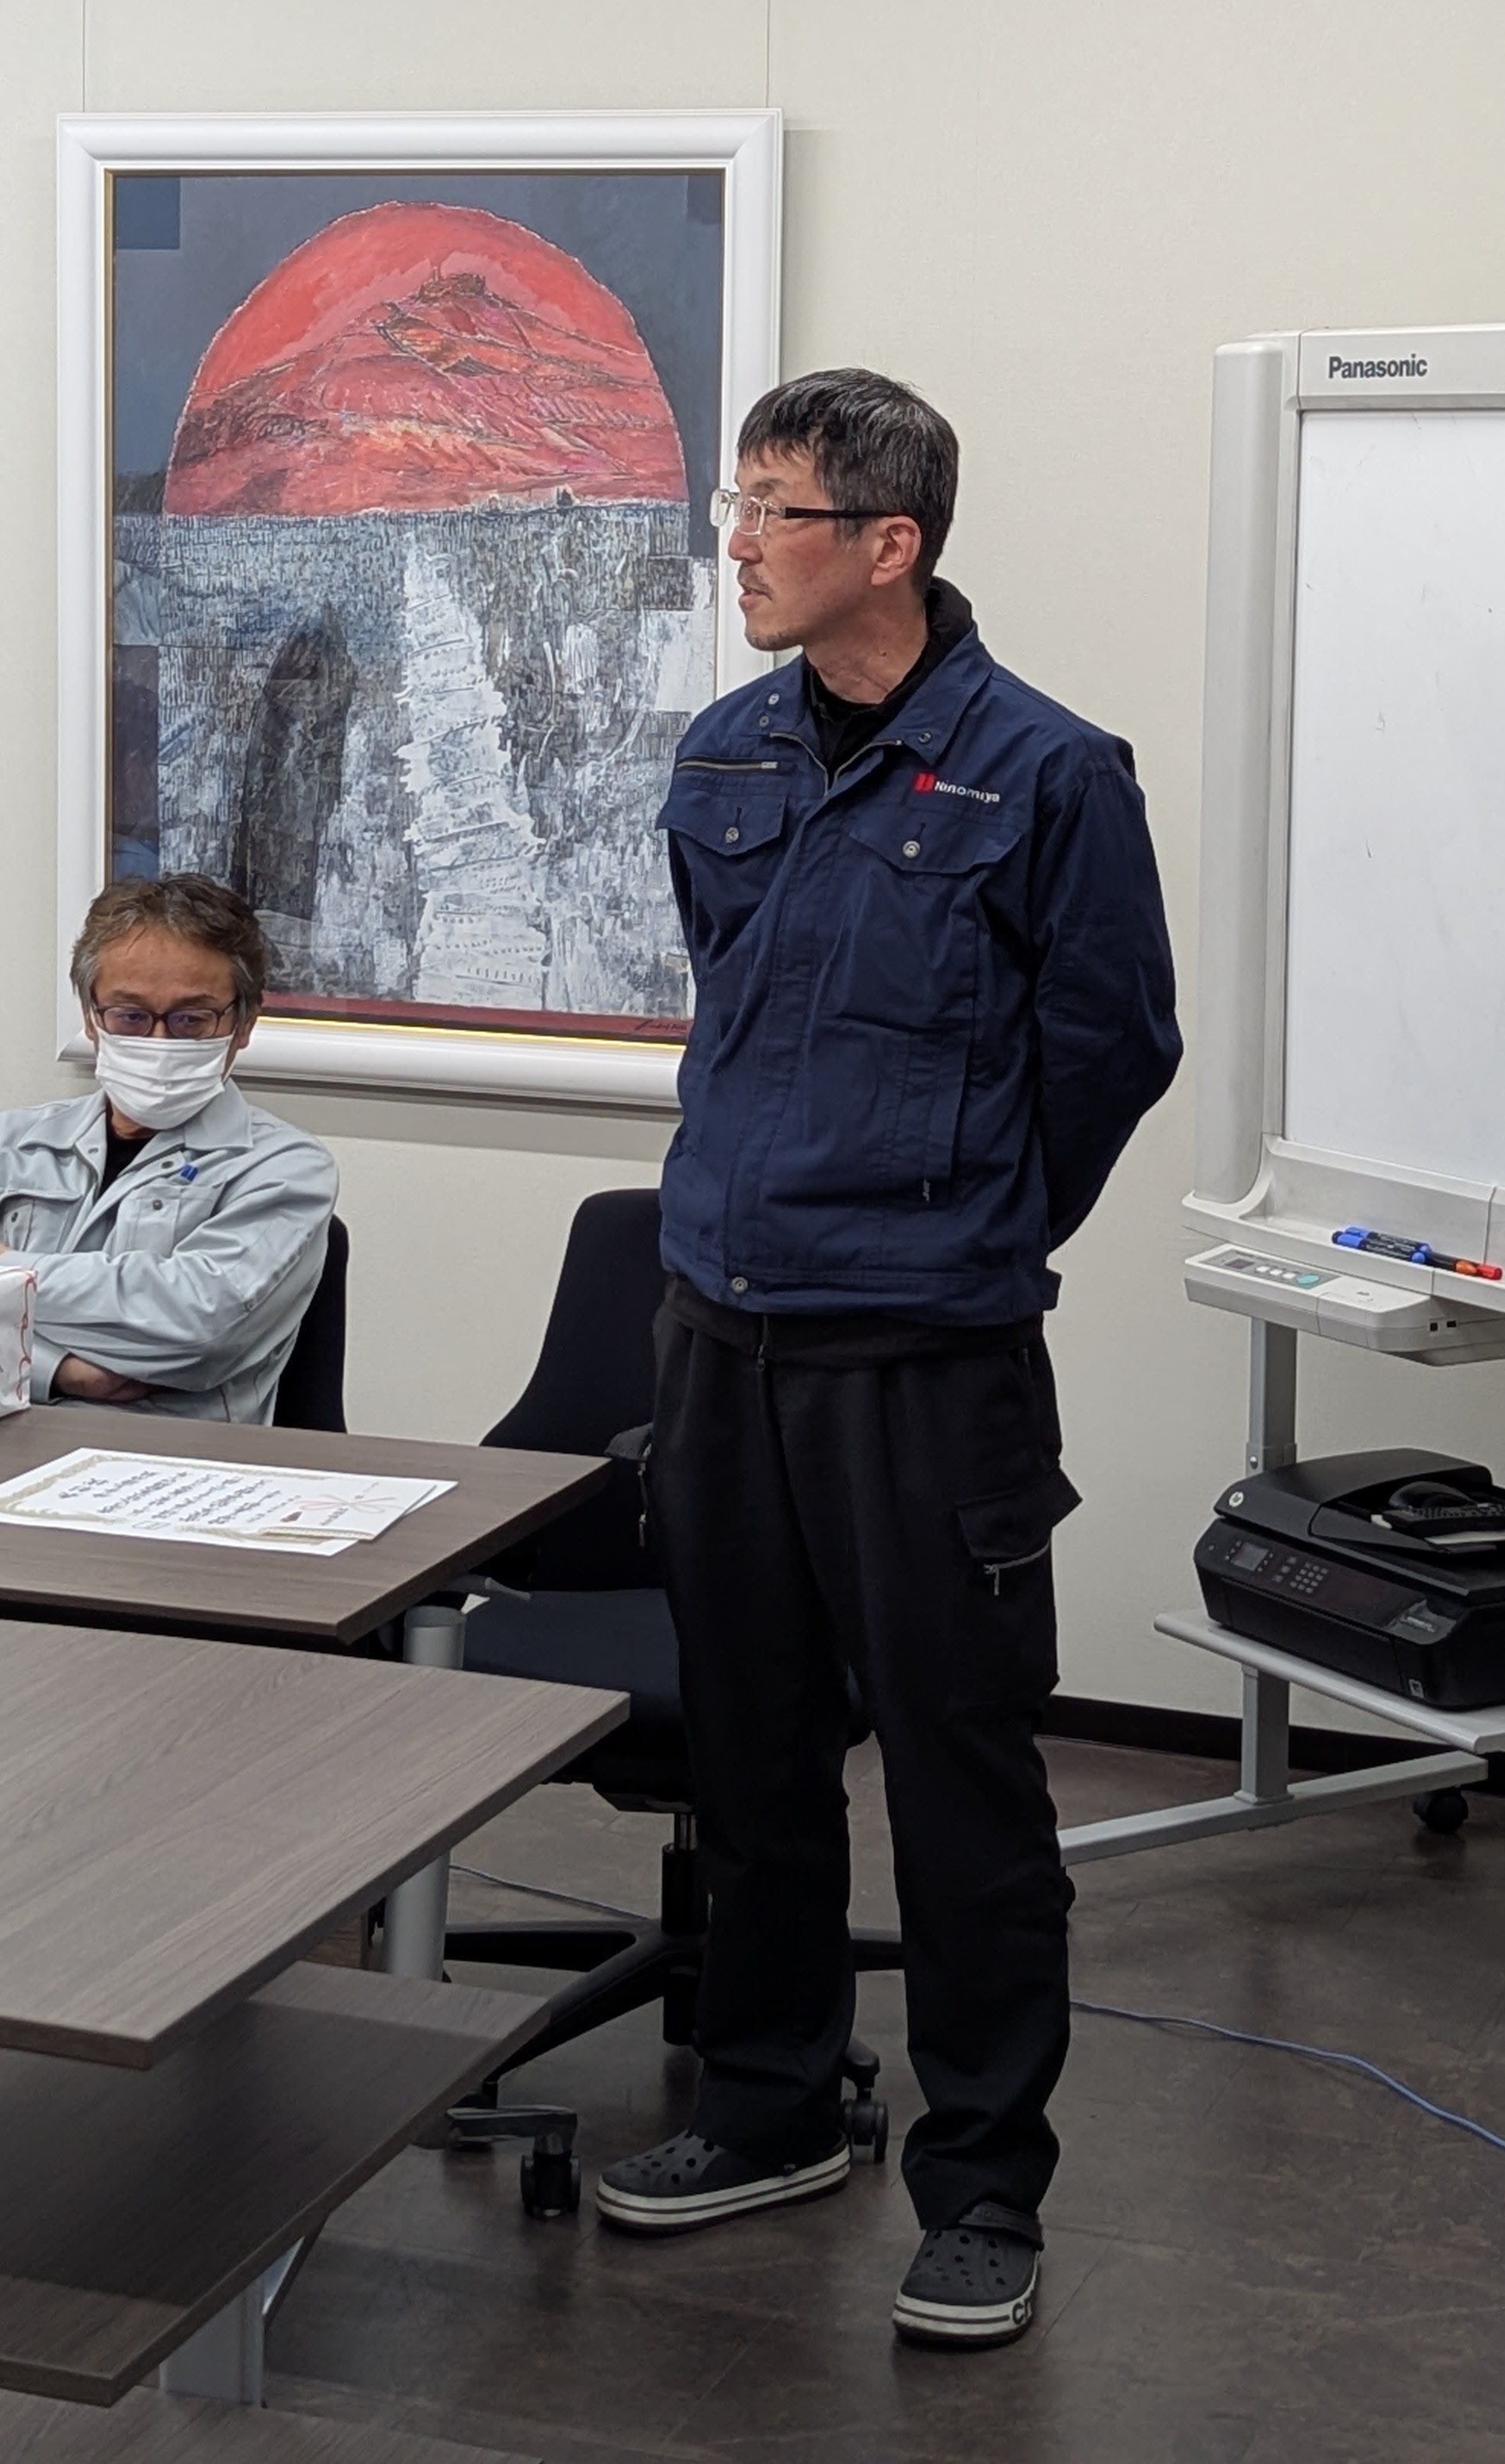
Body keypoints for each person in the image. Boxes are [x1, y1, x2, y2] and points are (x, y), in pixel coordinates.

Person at [595, 371, 1181, 2348]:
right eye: (736, 505)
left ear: (887, 543)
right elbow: (733, 1003)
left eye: (770, 510)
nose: (736, 546)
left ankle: (985, 2185)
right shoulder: (726, 749)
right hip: (719, 1331)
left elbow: (1111, 1050)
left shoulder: (1047, 773)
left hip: (924, 1361)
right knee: (752, 1759)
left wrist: (962, 1222)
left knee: (956, 1777)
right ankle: (765, 2104)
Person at [0, 876, 335, 1423]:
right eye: (130, 1016)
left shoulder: (286, 1170)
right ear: (91, 1018)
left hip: (169, 1458)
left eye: (191, 1019)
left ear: (243, 1024)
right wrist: (57, 1370)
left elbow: (198, 1329)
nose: (159, 1042)